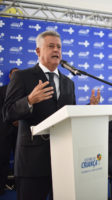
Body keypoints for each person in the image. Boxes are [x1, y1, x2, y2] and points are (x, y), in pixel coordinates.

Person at [2, 31, 100, 200]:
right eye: (51, 46)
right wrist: (29, 101)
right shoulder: (22, 77)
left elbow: (68, 115)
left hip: (63, 160)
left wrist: (89, 107)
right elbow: (7, 113)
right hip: (32, 161)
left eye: (59, 47)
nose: (57, 50)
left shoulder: (68, 83)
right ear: (38, 51)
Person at [0, 68, 19, 195]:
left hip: (21, 131)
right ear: (10, 76)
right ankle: (1, 187)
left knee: (20, 161)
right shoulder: (1, 90)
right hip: (4, 131)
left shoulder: (28, 91)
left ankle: (20, 186)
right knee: (3, 160)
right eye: (14, 74)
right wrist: (10, 120)